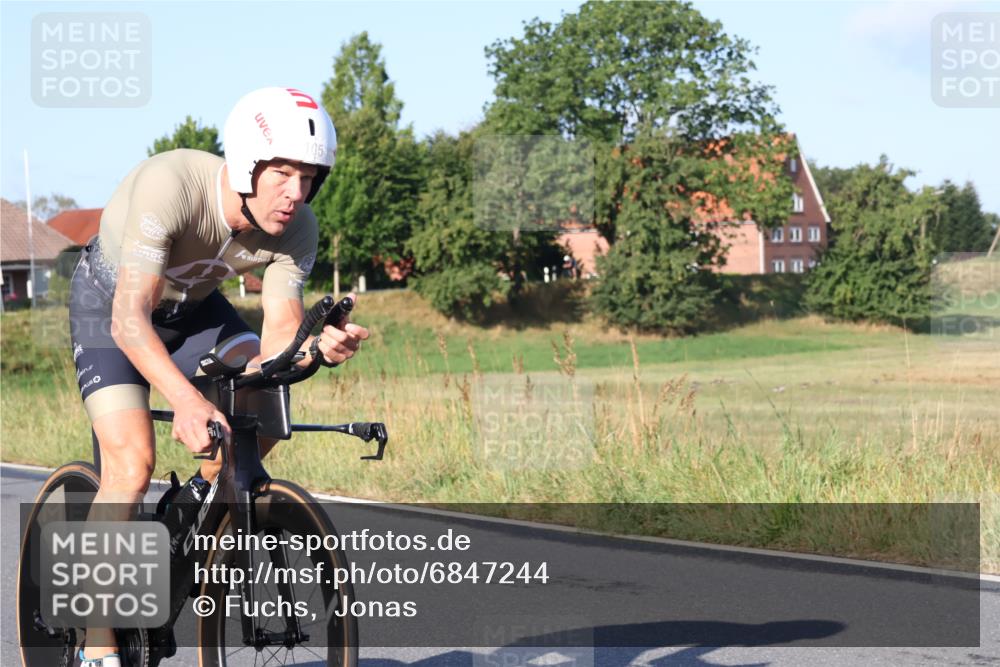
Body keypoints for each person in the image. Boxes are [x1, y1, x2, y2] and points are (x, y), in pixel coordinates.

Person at [69, 87, 369, 667]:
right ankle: (97, 646)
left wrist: (317, 350)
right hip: (112, 309)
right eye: (282, 173)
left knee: (262, 408)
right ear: (244, 164)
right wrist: (184, 400)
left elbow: (279, 336)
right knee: (131, 465)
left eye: (309, 177)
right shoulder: (172, 185)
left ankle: (189, 517)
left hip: (195, 313)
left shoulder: (297, 228)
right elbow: (129, 319)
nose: (296, 193)